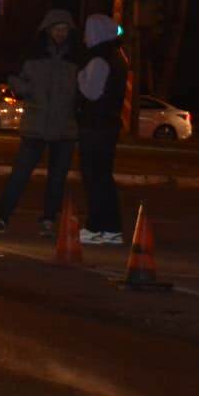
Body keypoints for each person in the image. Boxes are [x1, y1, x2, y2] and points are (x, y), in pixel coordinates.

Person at [0, 9, 80, 236]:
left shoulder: (75, 60)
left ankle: (48, 220)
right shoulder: (33, 57)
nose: (60, 33)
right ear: (47, 30)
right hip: (35, 126)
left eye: (64, 29)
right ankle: (1, 217)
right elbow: (13, 77)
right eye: (57, 29)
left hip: (64, 129)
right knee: (20, 175)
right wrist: (27, 90)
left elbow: (83, 89)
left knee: (57, 179)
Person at [76, 13, 128, 245]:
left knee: (94, 177)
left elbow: (91, 92)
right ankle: (110, 227)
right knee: (102, 176)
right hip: (107, 125)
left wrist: (78, 76)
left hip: (95, 125)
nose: (85, 38)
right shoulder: (116, 56)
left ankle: (97, 226)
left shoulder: (99, 59)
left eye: (88, 32)